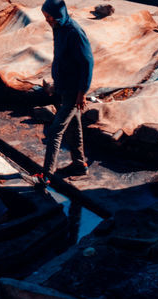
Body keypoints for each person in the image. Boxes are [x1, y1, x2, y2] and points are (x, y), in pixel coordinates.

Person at [40, 0, 94, 180]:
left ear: (58, 14)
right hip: (64, 87)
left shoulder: (74, 32)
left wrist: (82, 92)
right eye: (45, 17)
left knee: (55, 131)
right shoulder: (58, 27)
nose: (47, 20)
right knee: (74, 126)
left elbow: (87, 64)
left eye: (49, 16)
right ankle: (79, 164)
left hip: (73, 91)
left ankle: (46, 175)